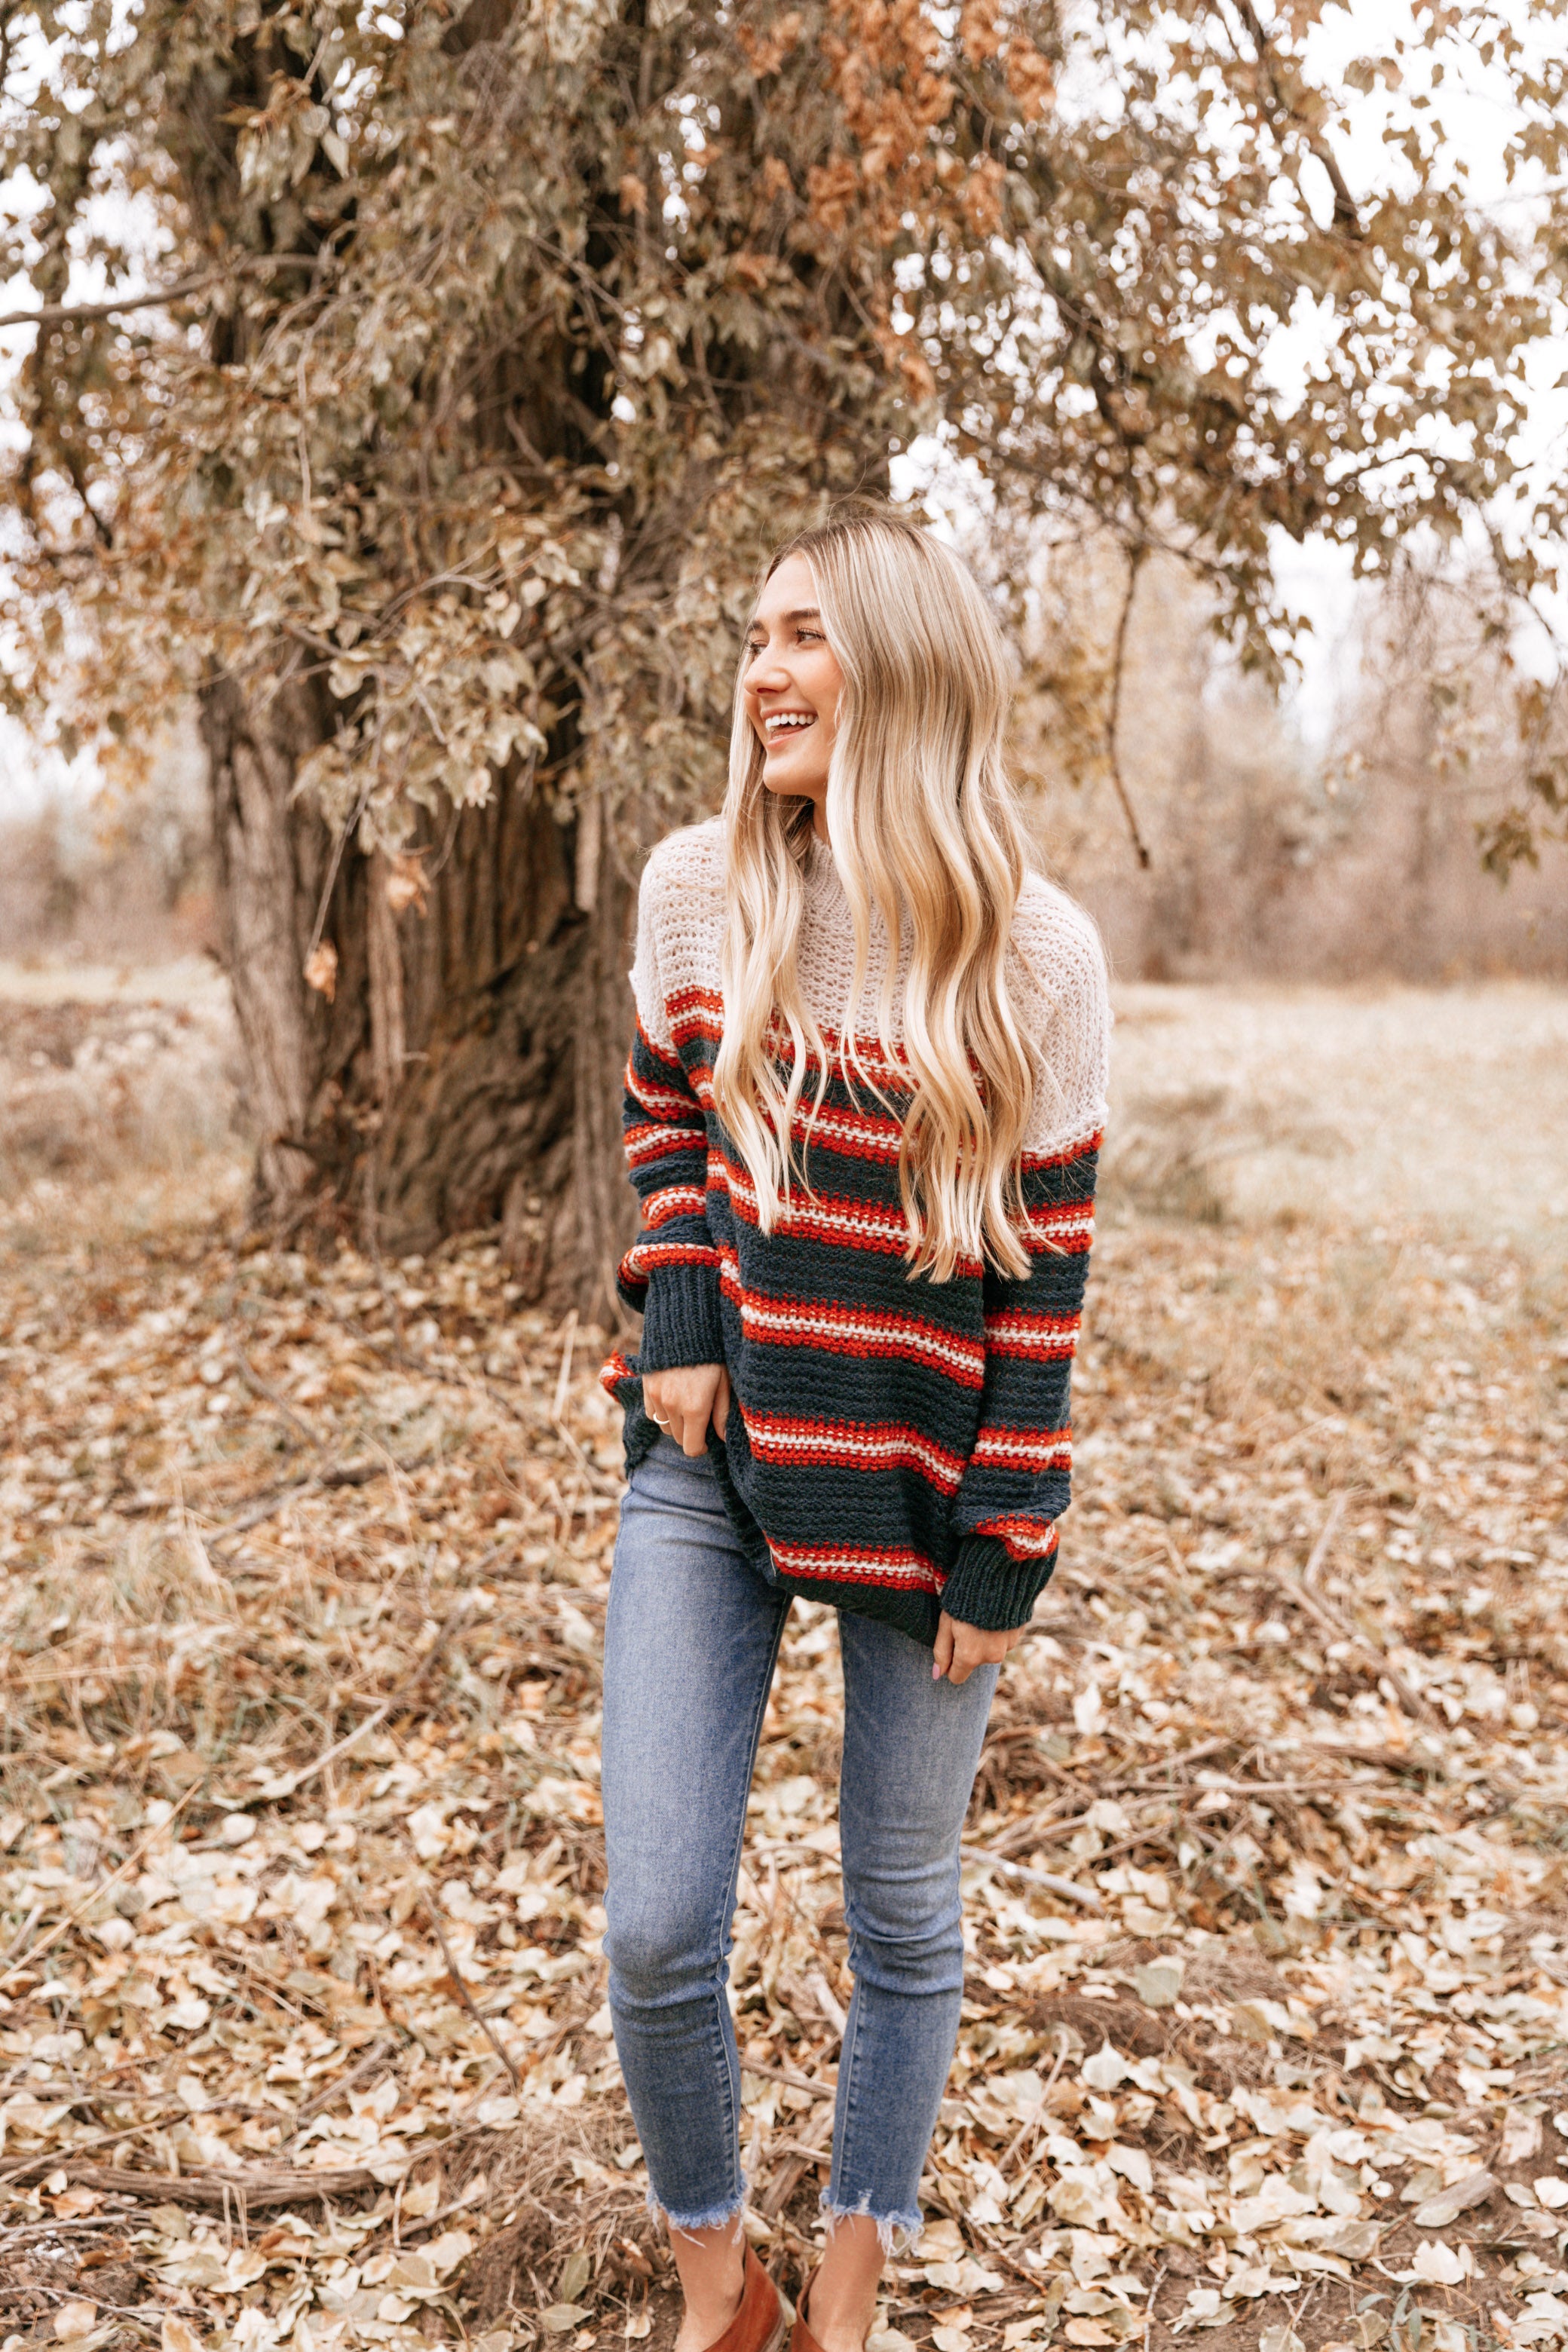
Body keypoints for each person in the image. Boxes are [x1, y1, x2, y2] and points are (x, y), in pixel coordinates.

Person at [597, 505, 1110, 2352]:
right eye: (752, 636)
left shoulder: (1029, 960)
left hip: (916, 1490)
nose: (762, 671)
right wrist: (672, 1303)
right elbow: (666, 1118)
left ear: (895, 661)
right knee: (656, 1920)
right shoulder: (696, 888)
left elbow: (1043, 1274)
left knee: (899, 1911)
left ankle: (848, 2289)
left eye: (802, 633)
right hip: (710, 1473)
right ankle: (716, 2291)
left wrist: (1008, 1532)